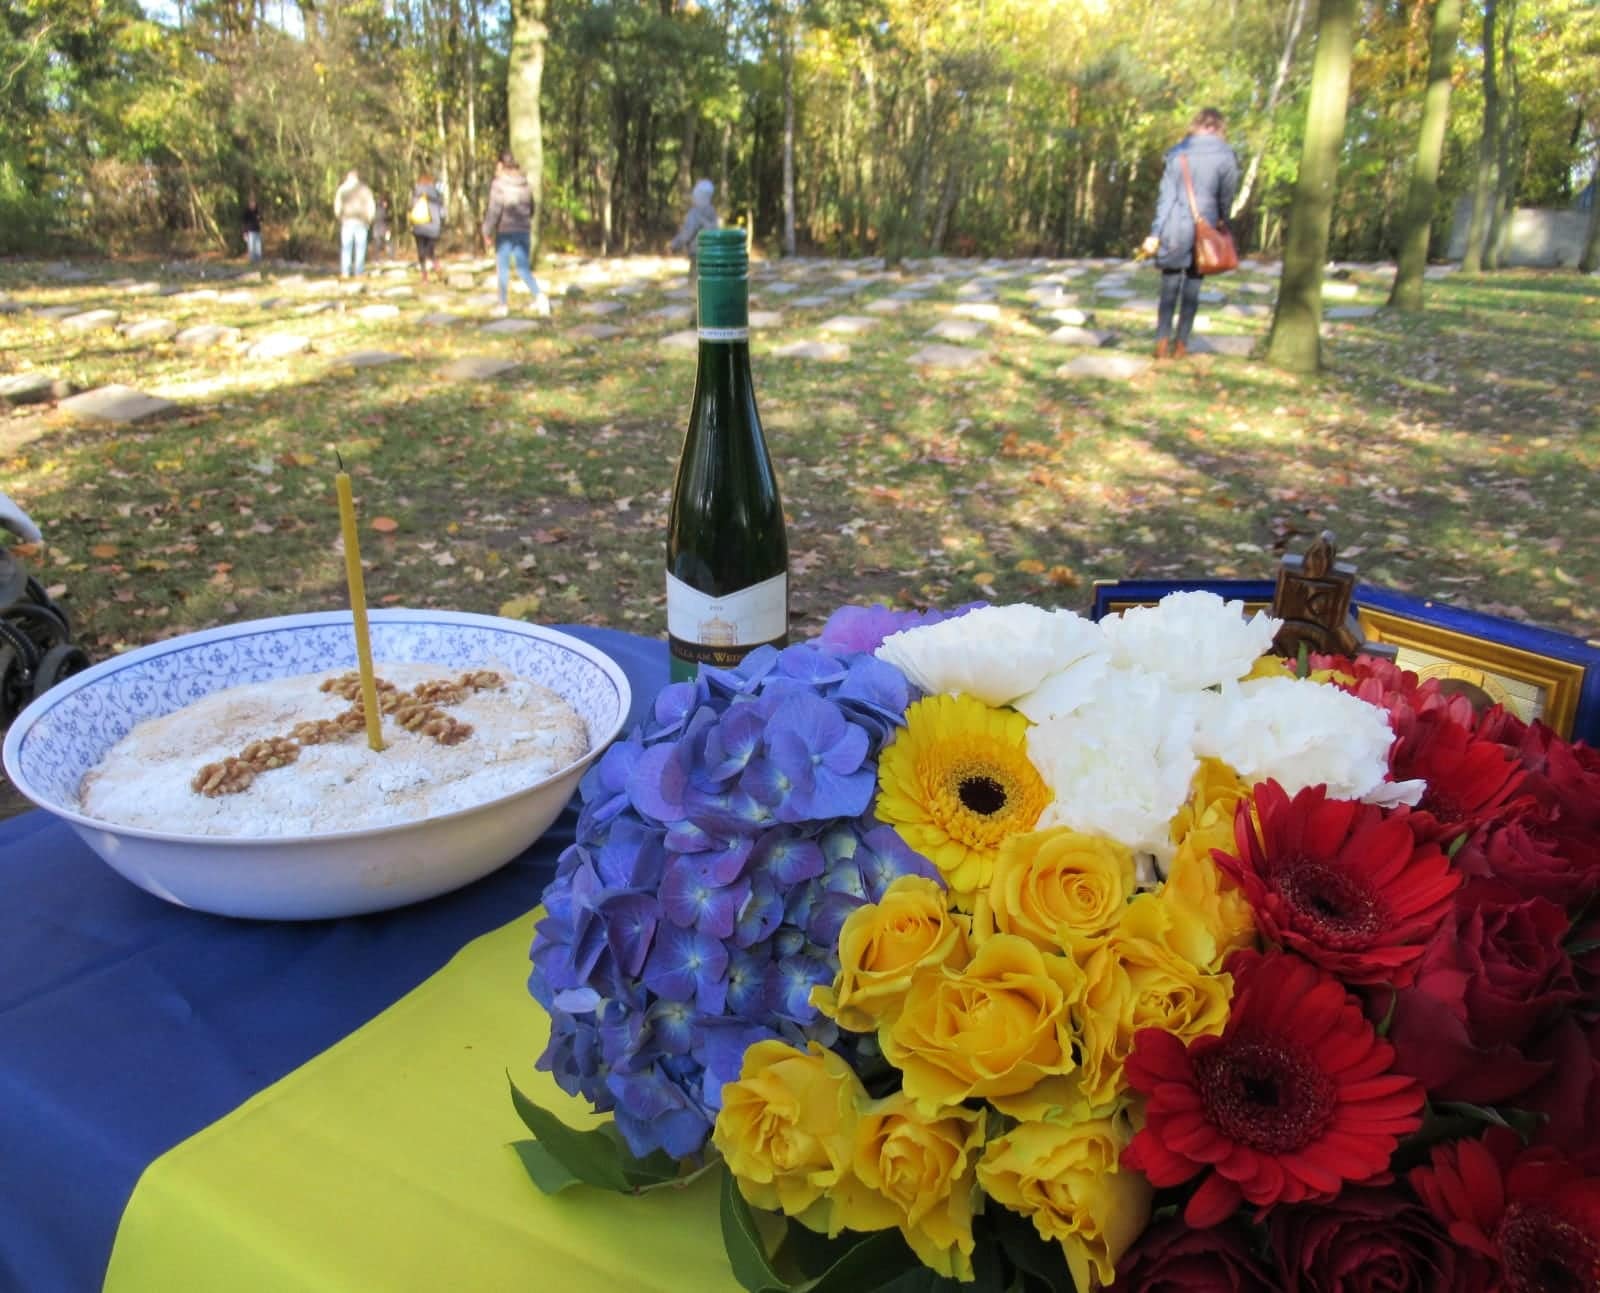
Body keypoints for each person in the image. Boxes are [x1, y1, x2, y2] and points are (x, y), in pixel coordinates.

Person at [1141, 107, 1239, 360]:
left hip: (1174, 226)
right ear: (1218, 127)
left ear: (1195, 125)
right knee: (1193, 287)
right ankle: (1181, 344)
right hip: (1204, 228)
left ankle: (1161, 340)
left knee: (1169, 286)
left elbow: (1166, 198)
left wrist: (1156, 231)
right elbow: (1226, 196)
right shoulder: (1226, 156)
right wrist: (1222, 222)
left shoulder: (1177, 154)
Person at [481, 152, 550, 317]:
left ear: (501, 165)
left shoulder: (498, 185)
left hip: (505, 231)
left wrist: (486, 231)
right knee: (522, 268)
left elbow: (494, 210)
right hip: (523, 230)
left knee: (502, 268)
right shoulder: (525, 184)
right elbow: (531, 208)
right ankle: (540, 298)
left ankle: (503, 305)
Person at [334, 169, 376, 279]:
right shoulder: (365, 189)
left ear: (348, 177)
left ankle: (345, 272)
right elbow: (371, 205)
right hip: (361, 221)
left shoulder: (342, 189)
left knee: (346, 247)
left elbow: (337, 206)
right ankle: (359, 272)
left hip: (347, 220)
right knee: (360, 247)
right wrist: (369, 218)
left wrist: (340, 217)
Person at [669, 179, 720, 268]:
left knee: (695, 279)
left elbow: (687, 233)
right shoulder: (712, 211)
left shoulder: (695, 213)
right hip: (712, 253)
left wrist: (674, 245)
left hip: (698, 254)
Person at [408, 174, 444, 282]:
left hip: (419, 225)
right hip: (433, 227)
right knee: (430, 250)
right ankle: (436, 264)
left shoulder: (416, 194)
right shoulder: (437, 194)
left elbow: (411, 208)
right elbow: (442, 212)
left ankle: (424, 276)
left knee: (421, 251)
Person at [241, 196, 262, 264]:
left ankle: (258, 261)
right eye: (252, 204)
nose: (253, 205)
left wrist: (260, 218)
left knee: (258, 246)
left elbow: (261, 219)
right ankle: (252, 261)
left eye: (254, 204)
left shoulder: (257, 211)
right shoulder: (247, 212)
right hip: (250, 231)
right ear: (249, 204)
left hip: (257, 231)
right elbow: (244, 223)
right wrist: (244, 233)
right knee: (251, 247)